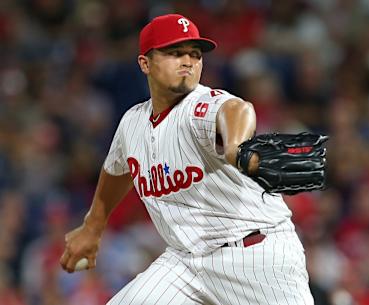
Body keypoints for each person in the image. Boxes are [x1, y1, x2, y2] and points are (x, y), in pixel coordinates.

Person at [60, 14, 315, 304]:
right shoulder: (132, 122)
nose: (188, 61)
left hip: (255, 255)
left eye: (195, 54)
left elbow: (236, 108)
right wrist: (93, 226)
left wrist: (237, 146)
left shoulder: (201, 106)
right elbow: (117, 169)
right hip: (183, 262)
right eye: (174, 53)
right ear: (145, 63)